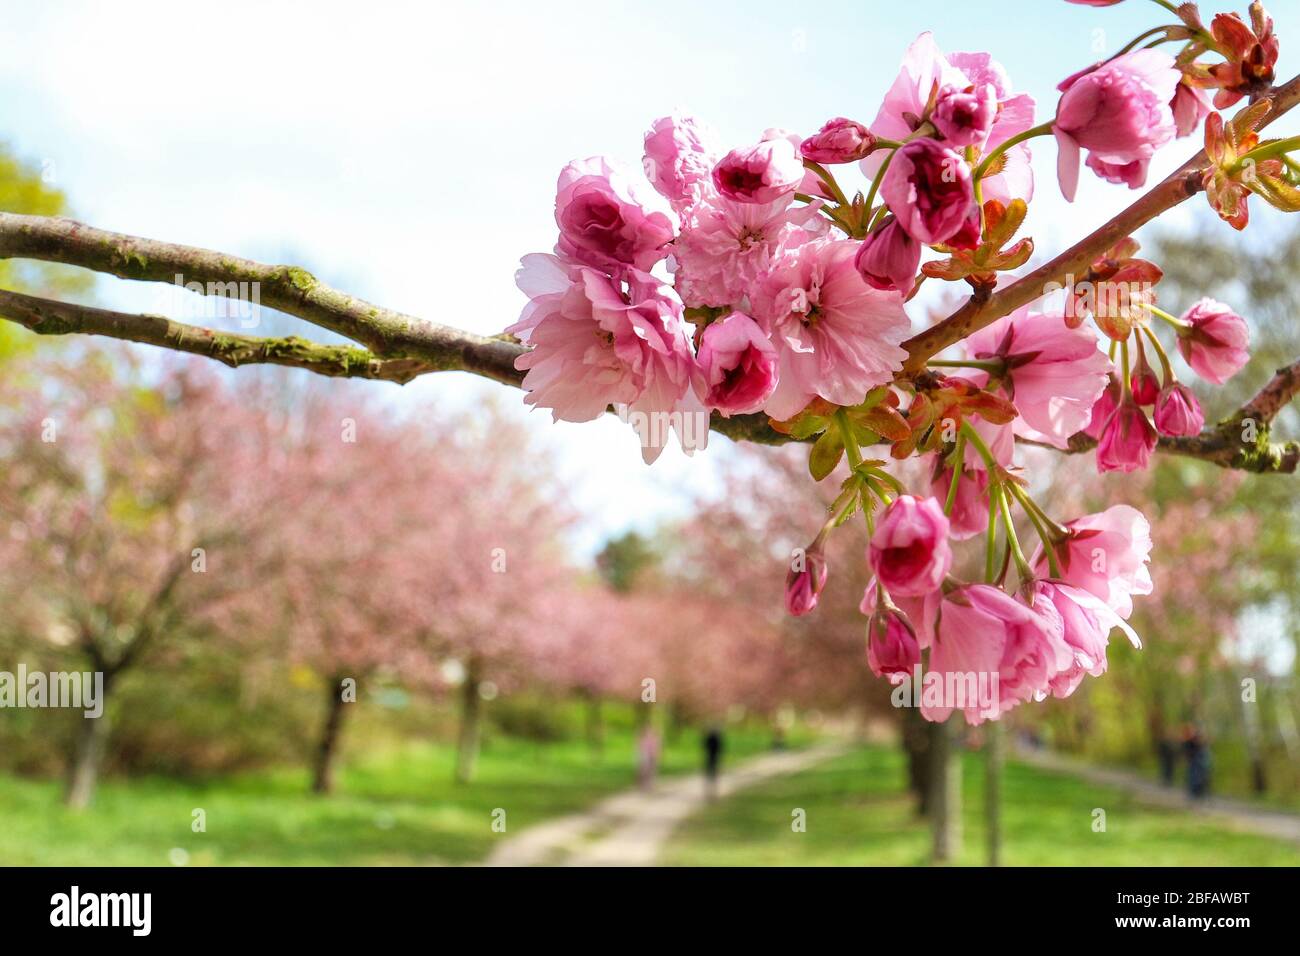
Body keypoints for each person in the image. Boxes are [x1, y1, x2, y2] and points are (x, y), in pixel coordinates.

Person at [636, 725, 660, 792]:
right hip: (645, 756)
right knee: (645, 770)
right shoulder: (643, 739)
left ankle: (650, 784)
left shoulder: (655, 739)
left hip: (652, 757)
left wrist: (656, 755)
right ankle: (643, 784)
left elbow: (656, 748)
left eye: (651, 731)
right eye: (648, 731)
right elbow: (641, 748)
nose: (650, 733)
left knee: (651, 771)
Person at [703, 726, 724, 800]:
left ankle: (710, 793)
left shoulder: (710, 738)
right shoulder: (716, 739)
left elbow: (704, 747)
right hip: (714, 759)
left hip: (710, 759)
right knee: (713, 777)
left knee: (710, 776)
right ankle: (712, 793)